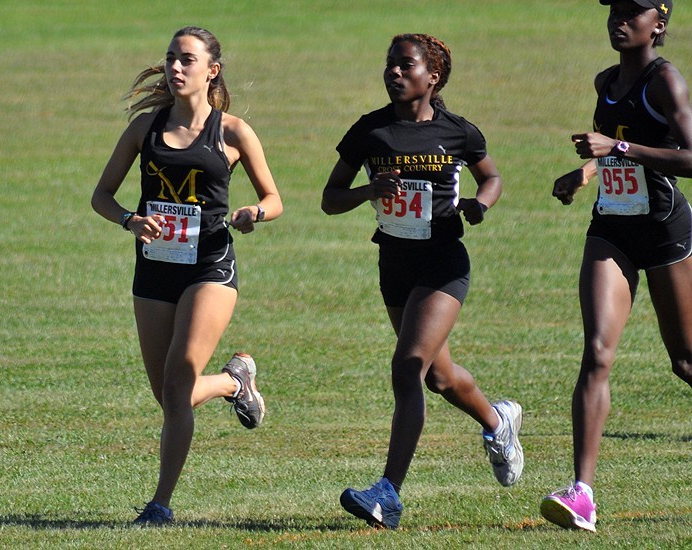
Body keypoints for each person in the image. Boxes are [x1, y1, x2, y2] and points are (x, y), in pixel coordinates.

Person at [320, 33, 523, 530]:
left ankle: (386, 495)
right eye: (389, 64)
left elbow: (491, 177)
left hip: (442, 264)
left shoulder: (458, 131)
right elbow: (330, 197)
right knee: (437, 376)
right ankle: (499, 423)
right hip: (394, 264)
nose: (393, 72)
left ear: (431, 78)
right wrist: (370, 188)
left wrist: (481, 204)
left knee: (408, 366)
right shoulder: (370, 131)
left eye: (404, 66)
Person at [90, 26, 283, 526]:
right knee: (169, 395)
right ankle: (234, 383)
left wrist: (253, 214)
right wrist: (129, 219)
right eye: (172, 58)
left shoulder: (234, 131)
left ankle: (159, 506)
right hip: (154, 270)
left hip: (209, 268)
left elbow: (274, 199)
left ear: (211, 71)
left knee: (177, 390)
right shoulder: (144, 130)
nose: (176, 67)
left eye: (188, 60)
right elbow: (102, 196)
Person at [543, 0, 692, 533]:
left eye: (633, 10)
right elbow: (612, 152)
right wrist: (587, 171)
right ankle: (583, 493)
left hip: (664, 229)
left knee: (685, 361)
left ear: (660, 22)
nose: (619, 18)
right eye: (614, 9)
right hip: (612, 229)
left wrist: (619, 145)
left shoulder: (665, 81)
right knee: (598, 352)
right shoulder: (606, 80)